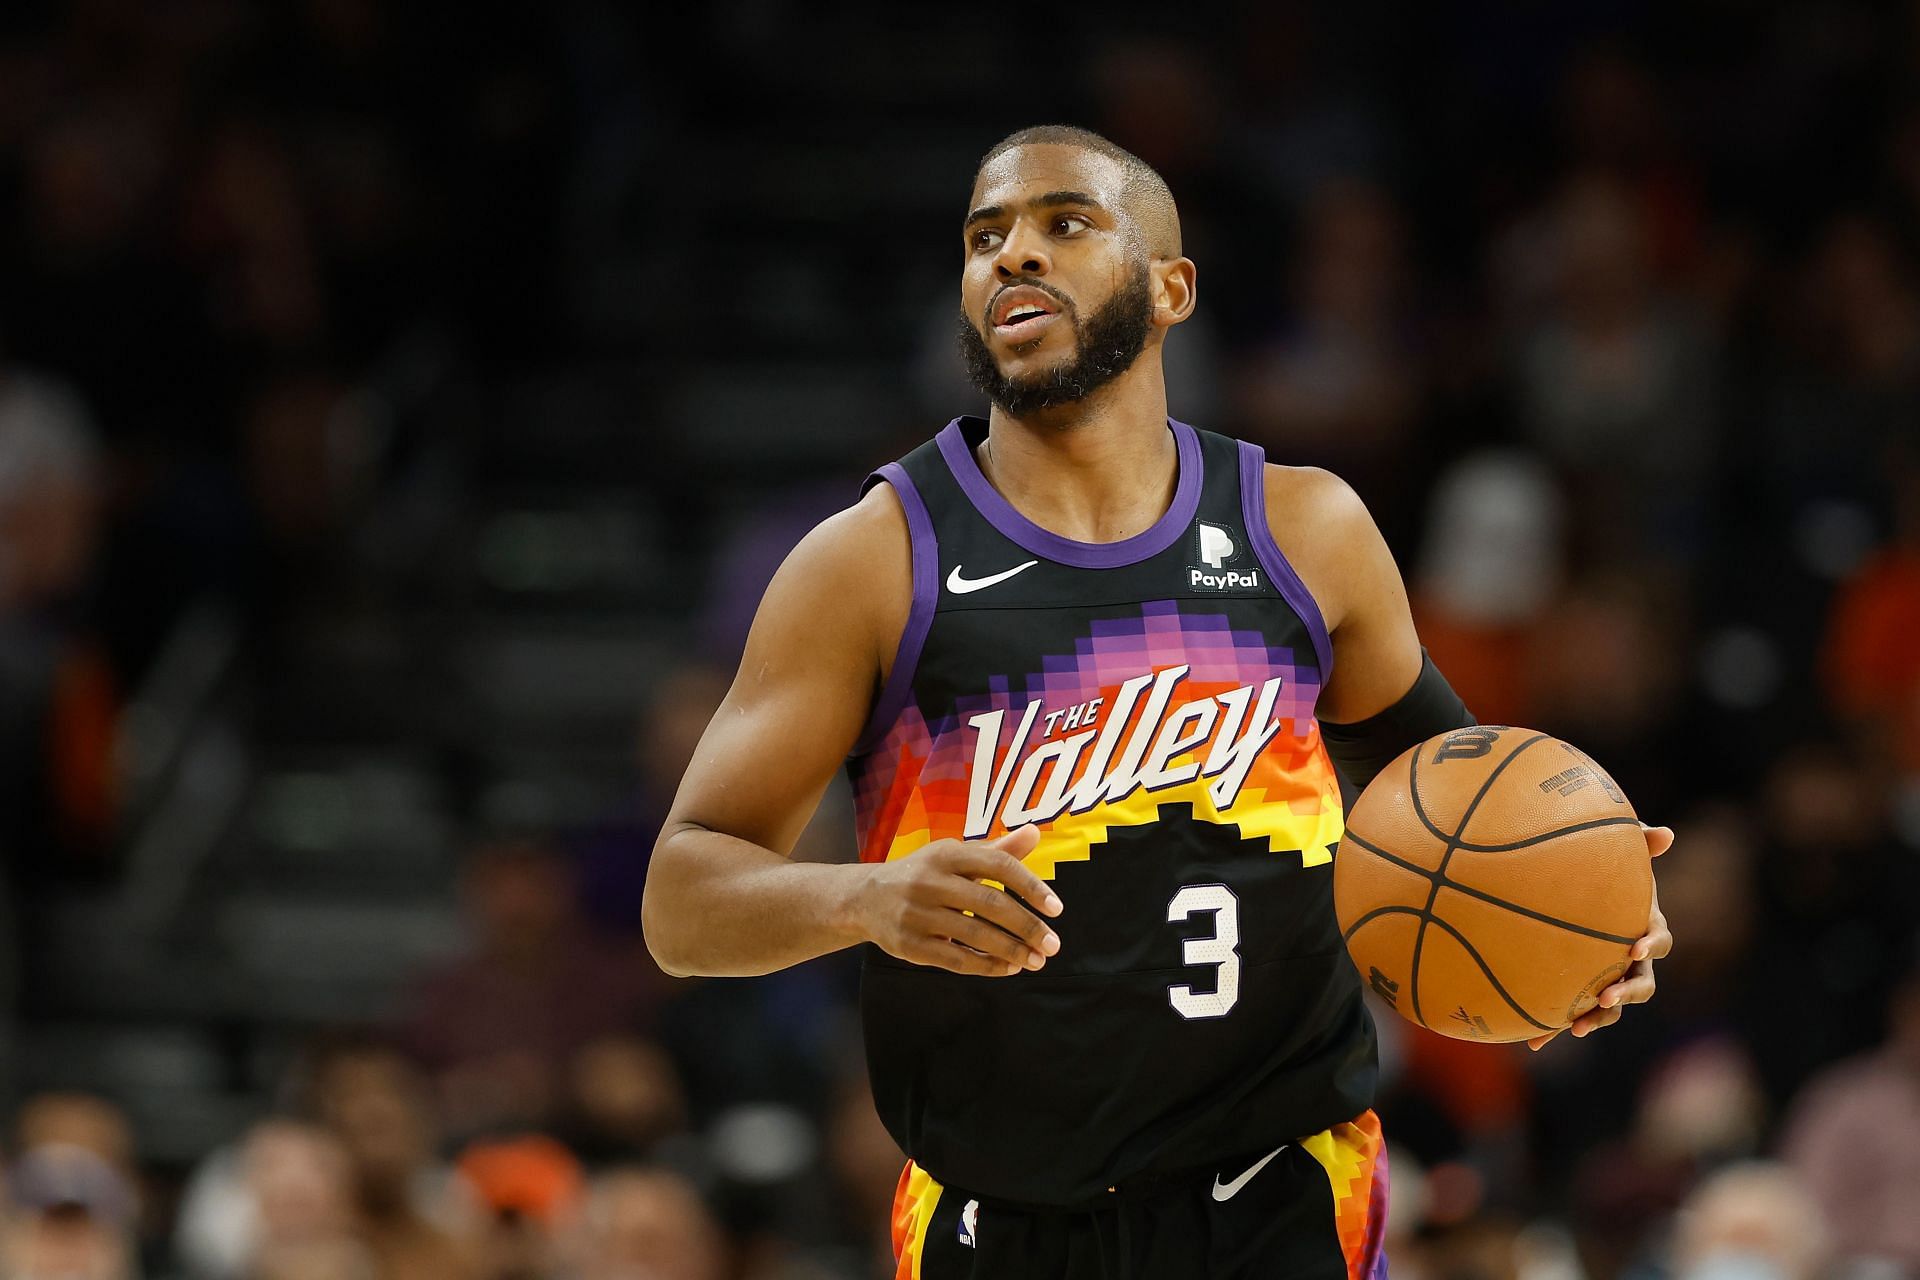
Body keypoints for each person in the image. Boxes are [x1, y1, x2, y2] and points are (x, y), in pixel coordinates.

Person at [642, 123, 1674, 1279]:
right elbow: (682, 902)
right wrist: (866, 898)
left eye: (1063, 224)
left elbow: (1470, 805)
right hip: (998, 1216)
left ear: (1172, 286)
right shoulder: (872, 560)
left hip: (1280, 1199)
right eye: (986, 239)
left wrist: (1591, 914)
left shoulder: (1303, 529)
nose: (1013, 256)